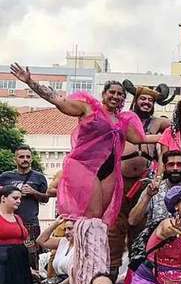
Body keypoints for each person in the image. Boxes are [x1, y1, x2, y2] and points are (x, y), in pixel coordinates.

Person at [9, 67, 162, 225]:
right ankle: (81, 247)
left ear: (123, 99)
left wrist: (171, 136)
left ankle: (96, 248)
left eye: (120, 94)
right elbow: (57, 100)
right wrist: (30, 82)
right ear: (104, 94)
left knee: (100, 217)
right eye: (112, 92)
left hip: (109, 169)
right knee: (92, 214)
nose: (116, 96)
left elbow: (140, 138)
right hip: (84, 165)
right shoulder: (89, 108)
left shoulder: (122, 121)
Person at [107, 83, 170, 279]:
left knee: (140, 227)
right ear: (135, 100)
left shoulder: (158, 122)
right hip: (120, 180)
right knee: (115, 227)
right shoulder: (123, 118)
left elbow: (179, 126)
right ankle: (112, 270)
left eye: (150, 100)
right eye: (143, 98)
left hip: (144, 182)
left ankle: (135, 275)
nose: (146, 102)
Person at [124, 150, 181, 284]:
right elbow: (132, 220)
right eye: (171, 165)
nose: (175, 168)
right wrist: (147, 196)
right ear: (164, 167)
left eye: (179, 164)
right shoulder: (154, 189)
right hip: (152, 261)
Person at [0, 145, 48, 269]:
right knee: (8, 257)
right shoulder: (5, 177)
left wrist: (34, 192)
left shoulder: (39, 177)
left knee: (31, 260)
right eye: (21, 157)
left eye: (28, 157)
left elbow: (46, 198)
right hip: (8, 222)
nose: (25, 159)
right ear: (15, 159)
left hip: (30, 223)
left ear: (31, 159)